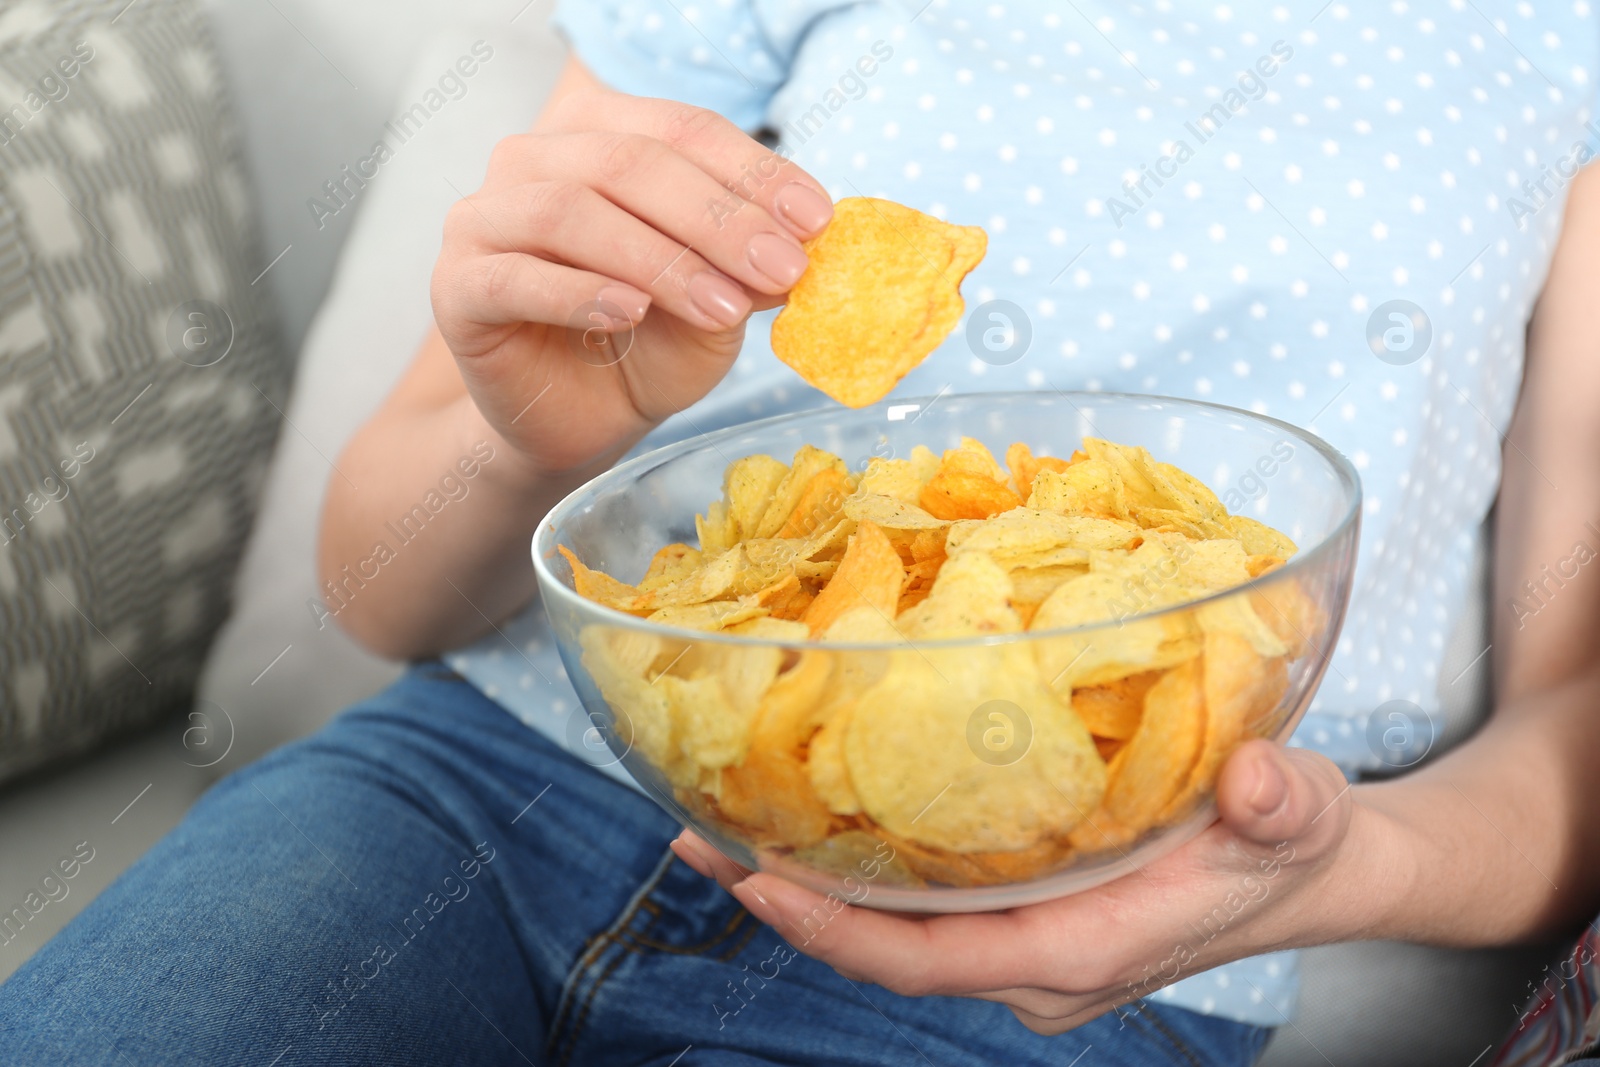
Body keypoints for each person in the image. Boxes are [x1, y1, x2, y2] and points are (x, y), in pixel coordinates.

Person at [8, 2, 1600, 1064]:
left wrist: (1328, 871)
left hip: (1072, 938)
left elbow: (1571, 729)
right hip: (488, 782)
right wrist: (527, 446)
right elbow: (377, 588)